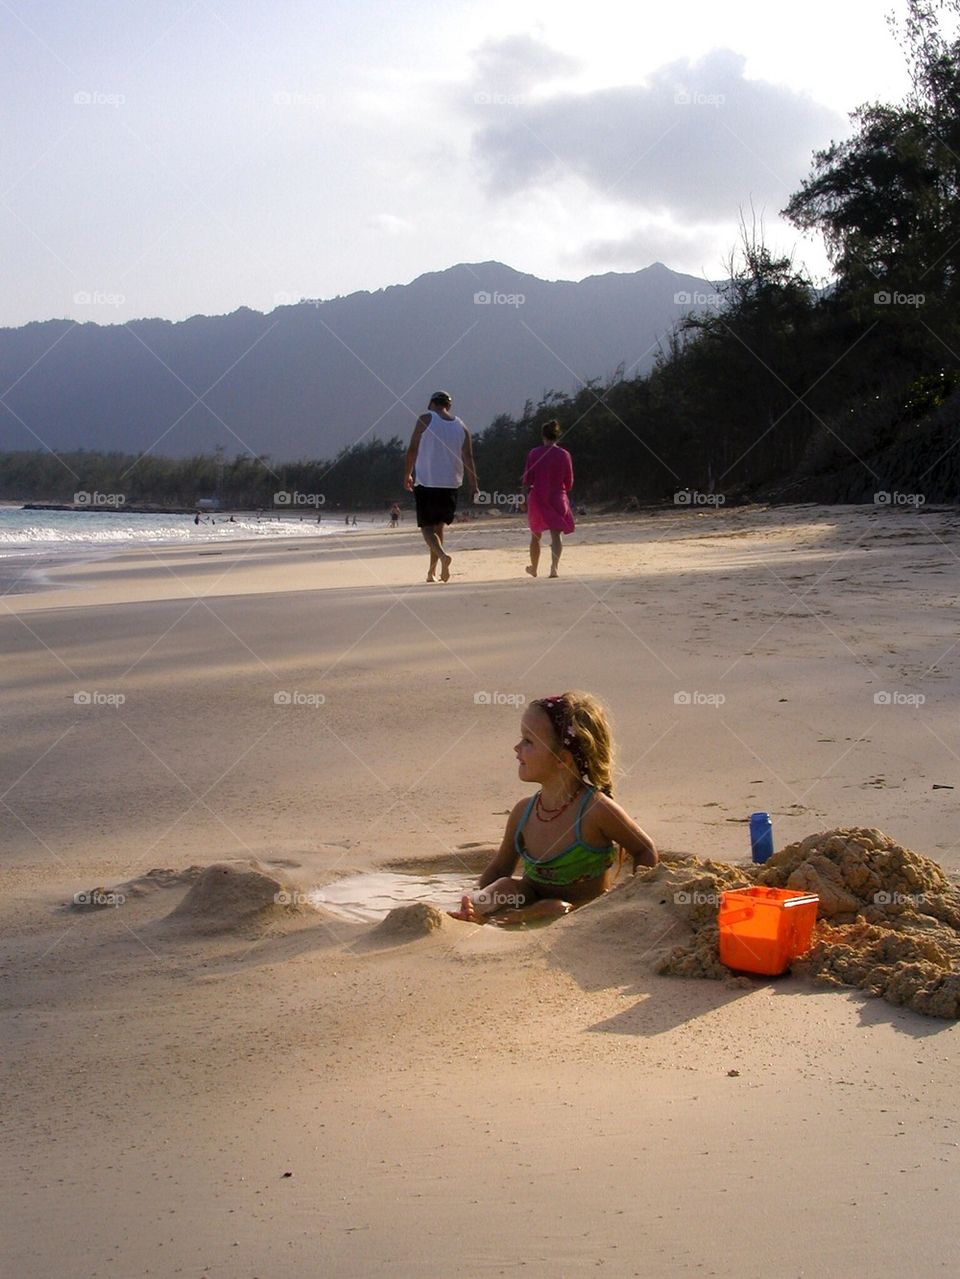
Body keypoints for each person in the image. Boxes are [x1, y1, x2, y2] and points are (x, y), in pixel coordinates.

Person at [449, 692, 657, 926]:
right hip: (528, 897)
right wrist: (481, 899)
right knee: (504, 887)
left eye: (528, 741)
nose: (516, 748)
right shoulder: (524, 812)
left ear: (562, 759)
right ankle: (471, 912)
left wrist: (636, 897)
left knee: (557, 906)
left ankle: (517, 918)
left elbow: (644, 849)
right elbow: (500, 868)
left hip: (580, 909)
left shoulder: (594, 810)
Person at [403, 391, 478, 582]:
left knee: (427, 528)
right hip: (451, 484)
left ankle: (443, 558)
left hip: (427, 482)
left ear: (431, 404)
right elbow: (468, 457)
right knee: (439, 528)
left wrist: (407, 474)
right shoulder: (462, 426)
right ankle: (432, 572)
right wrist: (474, 484)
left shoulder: (425, 419)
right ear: (449, 406)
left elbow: (412, 449)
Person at [523, 419, 574, 578]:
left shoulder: (534, 453)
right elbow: (569, 482)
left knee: (535, 535)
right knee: (556, 535)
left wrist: (523, 498)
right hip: (558, 496)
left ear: (542, 436)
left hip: (538, 497)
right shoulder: (564, 454)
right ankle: (554, 568)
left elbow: (527, 479)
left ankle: (534, 568)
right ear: (557, 435)